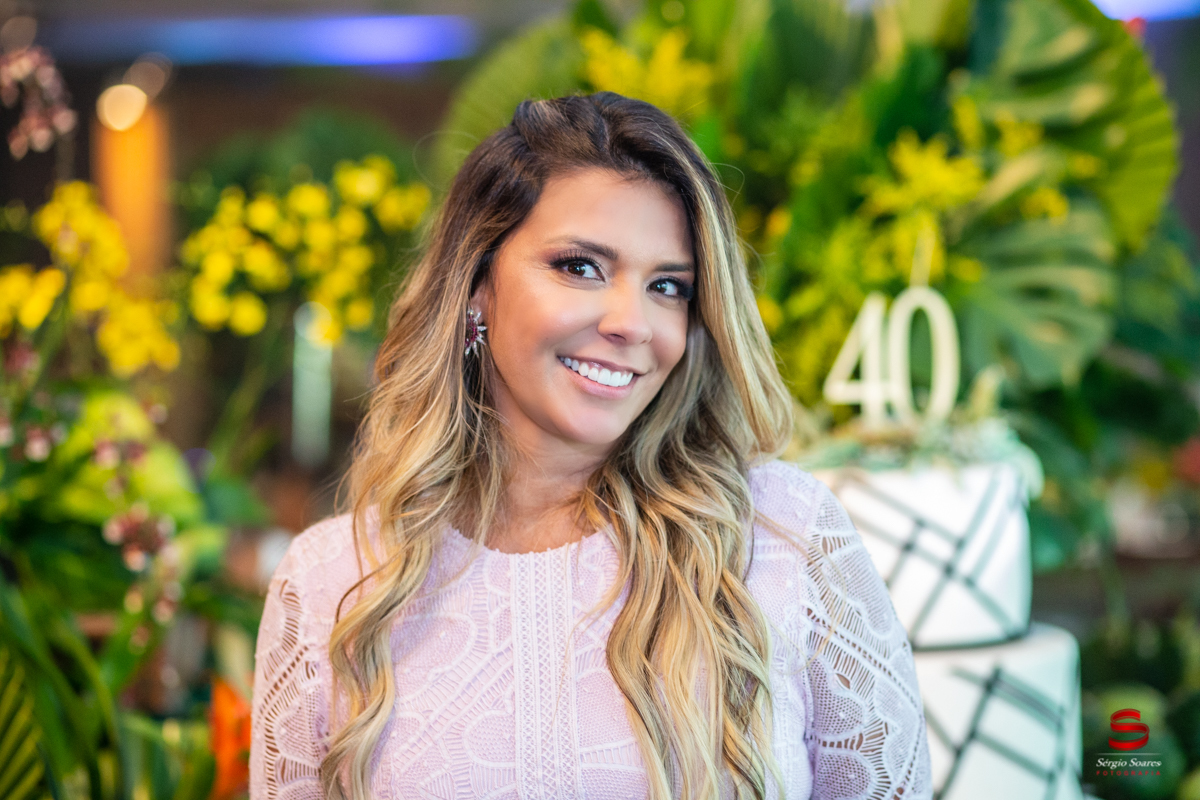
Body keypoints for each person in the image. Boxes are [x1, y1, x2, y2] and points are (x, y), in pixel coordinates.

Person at [249, 92, 932, 800]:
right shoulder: (331, 581)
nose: (632, 322)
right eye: (581, 267)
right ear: (476, 285)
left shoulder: (784, 536)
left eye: (668, 286)